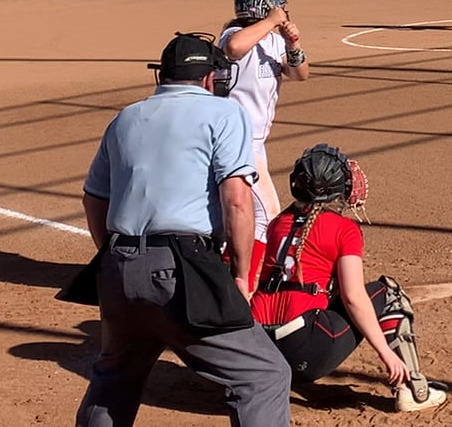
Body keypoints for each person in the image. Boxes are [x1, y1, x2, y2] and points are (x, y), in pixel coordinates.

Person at [76, 32, 293, 426]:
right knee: (264, 375)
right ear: (210, 78)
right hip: (182, 270)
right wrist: (241, 276)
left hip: (118, 267)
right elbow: (237, 200)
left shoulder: (126, 118)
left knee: (115, 378)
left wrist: (119, 258)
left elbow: (94, 199)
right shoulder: (225, 114)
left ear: (162, 75)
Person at [252, 143, 446, 412]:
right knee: (387, 292)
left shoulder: (277, 223)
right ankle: (413, 389)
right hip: (305, 350)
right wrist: (385, 353)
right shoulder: (344, 228)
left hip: (259, 351)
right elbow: (353, 297)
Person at [217, 0, 311, 226]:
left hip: (255, 141)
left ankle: (231, 248)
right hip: (236, 138)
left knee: (236, 210)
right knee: (267, 213)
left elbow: (300, 74)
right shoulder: (232, 35)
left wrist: (293, 44)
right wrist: (271, 21)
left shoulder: (274, 41)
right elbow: (234, 48)